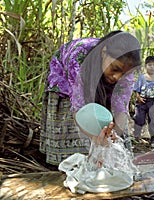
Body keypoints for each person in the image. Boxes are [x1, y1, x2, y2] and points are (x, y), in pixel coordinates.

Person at [40, 30, 142, 166]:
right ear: (104, 52)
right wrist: (95, 139)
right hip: (65, 79)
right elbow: (79, 109)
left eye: (123, 74)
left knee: (113, 143)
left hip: (99, 83)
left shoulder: (126, 71)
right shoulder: (79, 56)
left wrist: (113, 136)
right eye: (114, 69)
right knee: (83, 136)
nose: (117, 77)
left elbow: (120, 110)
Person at [133, 56, 154, 148]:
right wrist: (138, 97)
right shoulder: (141, 78)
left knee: (153, 122)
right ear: (145, 66)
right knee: (139, 119)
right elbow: (136, 90)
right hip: (141, 102)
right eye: (149, 65)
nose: (152, 67)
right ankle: (136, 135)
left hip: (153, 102)